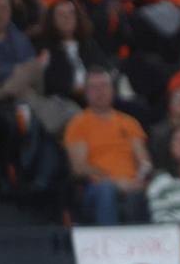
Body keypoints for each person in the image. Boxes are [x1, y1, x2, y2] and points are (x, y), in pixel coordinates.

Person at [62, 68, 152, 224]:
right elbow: (79, 167)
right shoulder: (78, 123)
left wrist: (140, 177)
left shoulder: (129, 122)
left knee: (146, 190)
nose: (100, 92)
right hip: (96, 188)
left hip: (130, 184)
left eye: (104, 86)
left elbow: (143, 160)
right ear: (86, 93)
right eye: (94, 88)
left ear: (112, 90)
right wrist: (116, 182)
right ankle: (109, 242)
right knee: (106, 189)